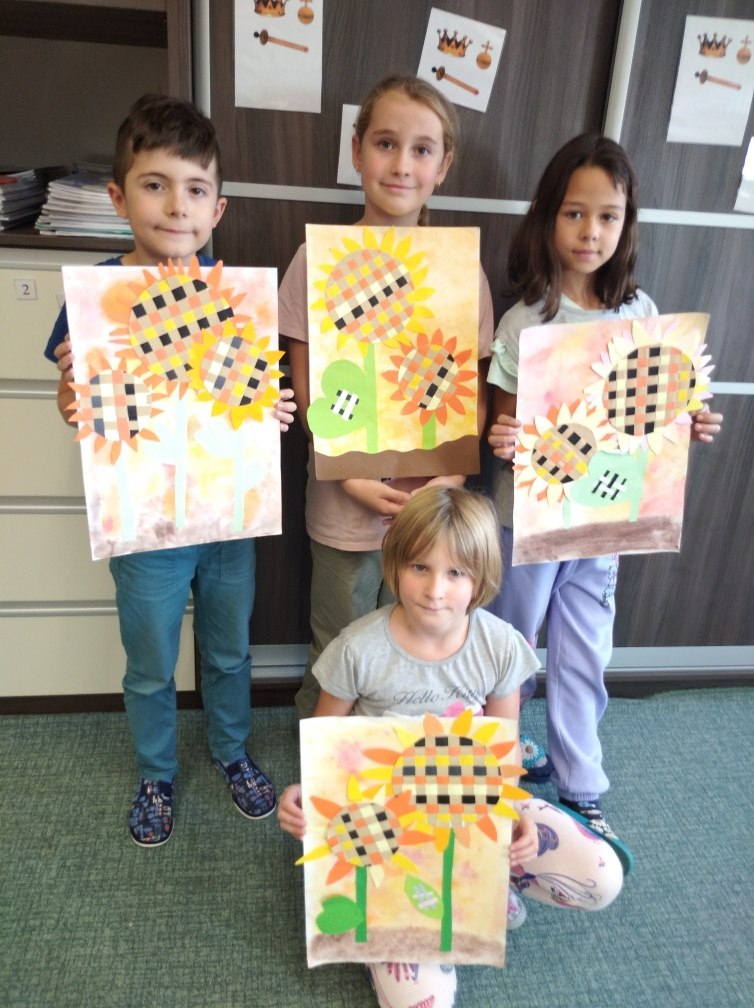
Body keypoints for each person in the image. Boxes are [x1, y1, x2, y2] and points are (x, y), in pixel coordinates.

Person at [44, 94, 296, 847]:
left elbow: (248, 398)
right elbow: (72, 406)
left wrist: (273, 410)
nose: (176, 207)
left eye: (194, 190)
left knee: (228, 649)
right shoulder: (97, 297)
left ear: (218, 208)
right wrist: (73, 388)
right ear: (119, 197)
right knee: (151, 659)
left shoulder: (236, 299)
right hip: (145, 521)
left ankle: (231, 751)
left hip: (226, 516)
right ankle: (156, 771)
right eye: (154, 185)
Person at [278, 486, 624, 1008]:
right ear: (395, 564)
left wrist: (513, 816)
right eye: (420, 567)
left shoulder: (499, 645)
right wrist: (303, 796)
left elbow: (503, 750)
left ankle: (488, 883)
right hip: (386, 827)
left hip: (471, 810)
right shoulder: (356, 649)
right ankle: (406, 924)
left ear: (480, 579)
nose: (435, 590)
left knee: (602, 878)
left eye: (456, 573)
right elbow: (326, 747)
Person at [485, 133, 723, 843]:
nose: (590, 232)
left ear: (626, 224)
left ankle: (582, 784)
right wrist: (503, 438)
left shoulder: (639, 312)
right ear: (547, 216)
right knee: (509, 646)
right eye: (574, 213)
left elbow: (656, 413)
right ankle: (496, 771)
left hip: (605, 522)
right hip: (528, 522)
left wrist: (687, 425)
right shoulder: (525, 318)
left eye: (608, 216)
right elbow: (502, 425)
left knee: (585, 649)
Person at [278, 74, 495, 719]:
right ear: (357, 151)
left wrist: (449, 478)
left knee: (417, 645)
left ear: (443, 165)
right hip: (345, 506)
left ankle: (391, 752)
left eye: (422, 149)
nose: (402, 165)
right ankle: (327, 752)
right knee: (341, 641)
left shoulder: (461, 271)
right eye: (385, 143)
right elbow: (308, 385)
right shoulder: (316, 260)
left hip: (431, 510)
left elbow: (472, 389)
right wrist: (351, 477)